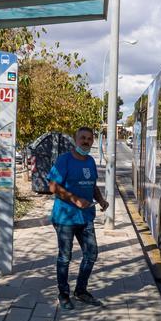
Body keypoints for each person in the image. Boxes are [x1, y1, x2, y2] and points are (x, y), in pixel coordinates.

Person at [47, 126, 109, 310]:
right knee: (65, 257)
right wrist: (75, 199)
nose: (86, 141)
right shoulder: (64, 160)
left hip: (86, 217)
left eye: (89, 139)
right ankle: (63, 294)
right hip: (65, 218)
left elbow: (93, 185)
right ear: (76, 139)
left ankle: (80, 290)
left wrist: (101, 199)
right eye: (82, 138)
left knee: (91, 254)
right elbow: (52, 186)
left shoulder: (90, 161)